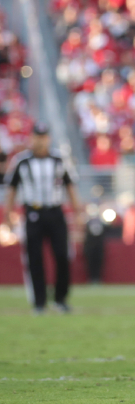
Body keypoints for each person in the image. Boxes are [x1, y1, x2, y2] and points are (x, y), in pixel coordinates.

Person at [4, 125, 81, 314]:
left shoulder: (59, 160)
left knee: (62, 256)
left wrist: (77, 213)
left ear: (49, 138)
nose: (40, 140)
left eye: (44, 136)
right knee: (34, 258)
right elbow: (11, 190)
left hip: (56, 212)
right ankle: (39, 303)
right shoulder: (21, 161)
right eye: (37, 136)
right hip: (32, 212)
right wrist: (8, 215)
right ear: (31, 138)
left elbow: (70, 187)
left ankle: (60, 299)